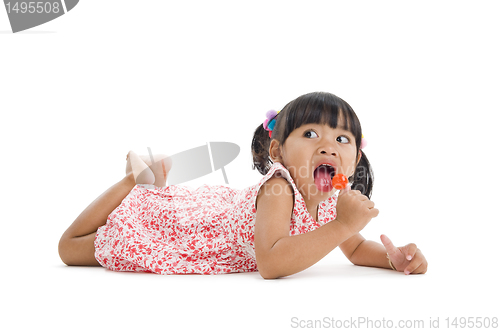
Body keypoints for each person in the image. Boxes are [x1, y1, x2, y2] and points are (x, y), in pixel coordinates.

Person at [58, 92, 427, 278]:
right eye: (311, 133)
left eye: (342, 139)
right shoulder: (280, 188)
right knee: (70, 249)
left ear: (355, 159)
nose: (328, 145)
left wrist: (394, 261)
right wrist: (344, 224)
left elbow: (357, 248)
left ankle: (152, 183)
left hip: (222, 212)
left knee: (154, 200)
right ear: (278, 151)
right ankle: (132, 182)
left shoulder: (332, 195)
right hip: (192, 233)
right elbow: (270, 260)